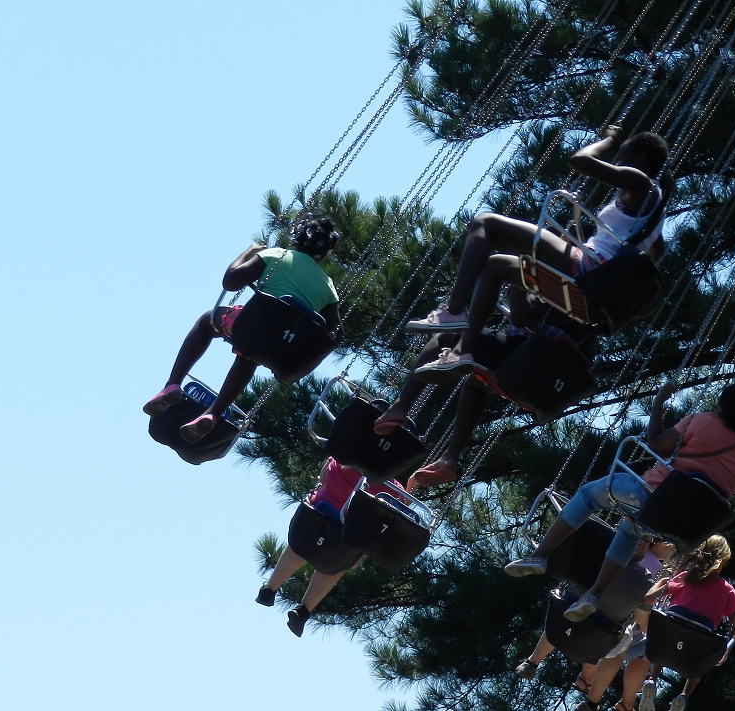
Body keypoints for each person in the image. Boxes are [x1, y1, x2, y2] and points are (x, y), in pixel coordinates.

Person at [405, 125, 670, 381]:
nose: (618, 160)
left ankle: (452, 310)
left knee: (485, 223)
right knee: (494, 265)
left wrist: (609, 140)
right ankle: (462, 352)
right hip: (594, 273)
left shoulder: (641, 182)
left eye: (622, 155)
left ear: (641, 158)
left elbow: (580, 160)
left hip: (588, 266)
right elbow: (652, 255)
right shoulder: (655, 216)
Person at [504, 382, 735, 620]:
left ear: (723, 405)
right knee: (629, 531)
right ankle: (594, 593)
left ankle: (540, 555)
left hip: (652, 494)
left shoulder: (703, 422)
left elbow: (657, 444)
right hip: (683, 524)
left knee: (588, 496)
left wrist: (659, 401)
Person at [142, 215, 342, 441]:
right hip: (281, 348)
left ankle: (173, 384)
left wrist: (249, 252)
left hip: (249, 328)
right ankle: (213, 414)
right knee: (249, 356)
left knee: (207, 321)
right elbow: (336, 332)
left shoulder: (278, 255)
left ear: (297, 238)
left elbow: (231, 282)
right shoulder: (328, 287)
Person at [373, 291, 598, 487]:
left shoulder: (558, 276)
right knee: (475, 385)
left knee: (446, 338)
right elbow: (586, 355)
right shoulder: (596, 302)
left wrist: (520, 277)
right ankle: (450, 457)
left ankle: (400, 407)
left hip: (528, 357)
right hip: (551, 384)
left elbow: (521, 315)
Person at [514, 539, 674, 711]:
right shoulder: (654, 573)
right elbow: (640, 616)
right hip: (600, 636)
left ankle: (532, 662)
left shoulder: (613, 549)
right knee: (628, 641)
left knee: (568, 614)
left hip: (574, 614)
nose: (673, 552)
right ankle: (598, 702)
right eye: (672, 546)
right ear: (658, 543)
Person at [257, 457, 407, 636]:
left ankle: (269, 589)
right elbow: (392, 517)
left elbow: (322, 478)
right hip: (343, 545)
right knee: (335, 564)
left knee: (301, 545)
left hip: (310, 524)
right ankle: (303, 611)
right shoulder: (394, 491)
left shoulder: (343, 460)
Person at [620, 535, 735, 711]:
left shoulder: (686, 576)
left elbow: (653, 596)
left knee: (666, 632)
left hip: (666, 640)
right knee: (705, 654)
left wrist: (665, 581)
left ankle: (652, 680)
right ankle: (684, 695)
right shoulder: (728, 591)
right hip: (693, 657)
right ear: (722, 561)